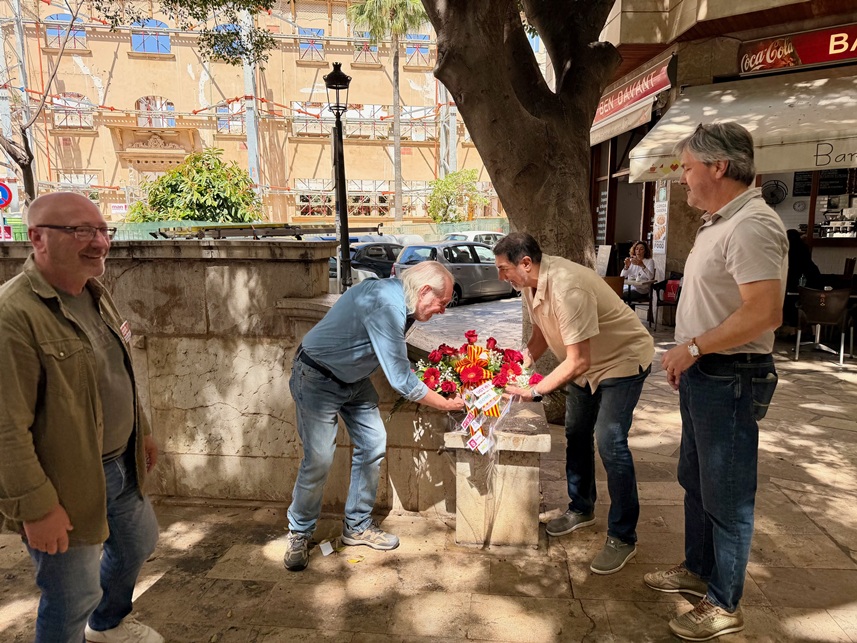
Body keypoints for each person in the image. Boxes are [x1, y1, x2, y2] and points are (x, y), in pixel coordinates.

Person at [0, 193, 162, 643]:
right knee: (72, 595)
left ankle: (107, 623)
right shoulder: (13, 315)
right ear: (37, 238)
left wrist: (142, 431)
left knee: (138, 542)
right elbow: (6, 428)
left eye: (102, 230)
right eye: (80, 231)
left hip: (119, 465)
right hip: (64, 483)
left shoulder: (94, 292)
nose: (99, 242)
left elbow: (117, 370)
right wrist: (37, 507)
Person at [648, 123, 787, 641]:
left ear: (719, 167)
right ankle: (697, 567)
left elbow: (765, 313)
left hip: (730, 374)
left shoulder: (752, 224)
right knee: (695, 480)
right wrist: (689, 356)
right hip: (706, 372)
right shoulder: (718, 222)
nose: (682, 178)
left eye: (687, 167)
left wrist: (697, 347)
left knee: (727, 495)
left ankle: (725, 602)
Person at [285, 260, 465, 571]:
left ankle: (357, 527)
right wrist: (446, 404)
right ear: (424, 291)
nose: (443, 311)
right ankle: (299, 532)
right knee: (319, 459)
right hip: (316, 378)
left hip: (353, 381)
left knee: (373, 443)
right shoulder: (386, 304)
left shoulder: (400, 300)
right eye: (442, 302)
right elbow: (400, 378)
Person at [493, 233, 654, 575]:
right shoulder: (528, 283)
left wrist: (534, 391)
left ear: (525, 263)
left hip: (621, 361)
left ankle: (623, 536)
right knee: (576, 432)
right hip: (584, 367)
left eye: (503, 269)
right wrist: (522, 362)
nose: (500, 276)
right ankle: (582, 508)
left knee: (610, 442)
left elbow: (578, 360)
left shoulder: (568, 286)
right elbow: (540, 333)